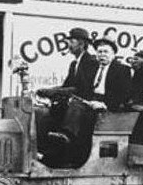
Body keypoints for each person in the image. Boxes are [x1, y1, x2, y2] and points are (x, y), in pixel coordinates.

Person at [35, 28, 97, 159]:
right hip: (71, 104)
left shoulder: (91, 61)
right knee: (42, 115)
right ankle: (44, 151)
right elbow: (66, 86)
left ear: (81, 43)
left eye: (71, 41)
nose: (68, 44)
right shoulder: (74, 64)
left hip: (83, 107)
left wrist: (53, 91)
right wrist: (48, 91)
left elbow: (82, 89)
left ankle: (64, 140)